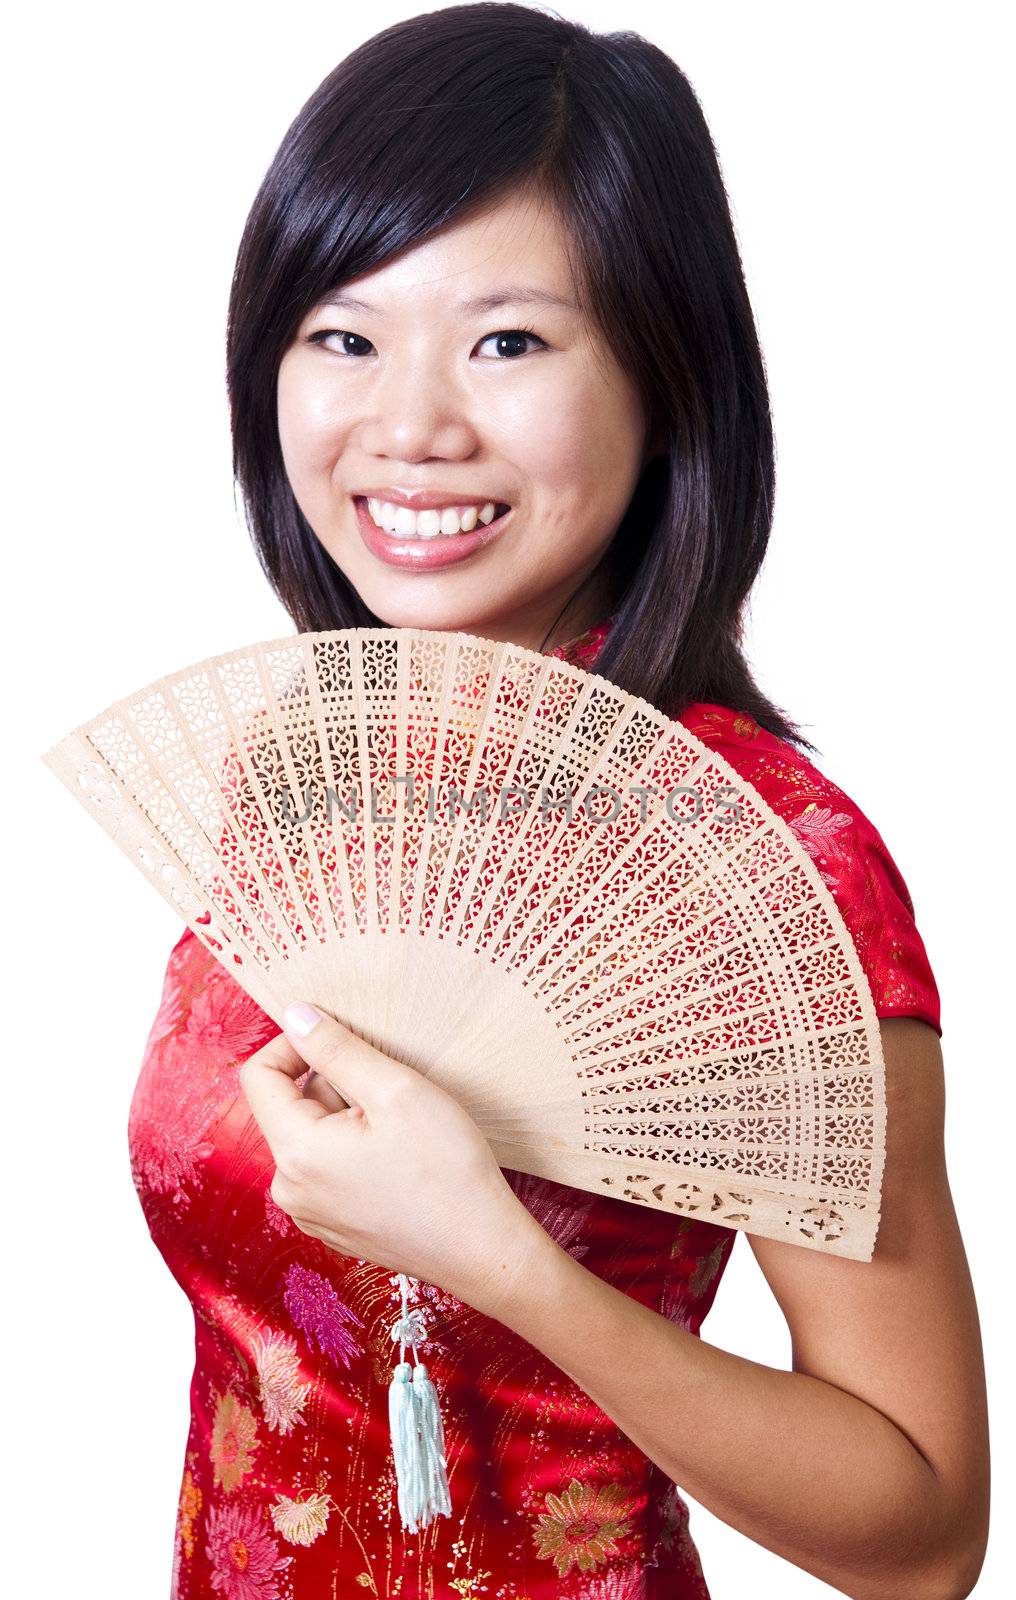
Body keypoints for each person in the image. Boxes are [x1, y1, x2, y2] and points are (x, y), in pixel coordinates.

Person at [128, 5, 989, 1595]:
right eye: (343, 333)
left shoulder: (767, 860)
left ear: (666, 371)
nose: (410, 427)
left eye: (508, 341)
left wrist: (500, 1261)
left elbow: (924, 1529)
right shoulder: (296, 775)